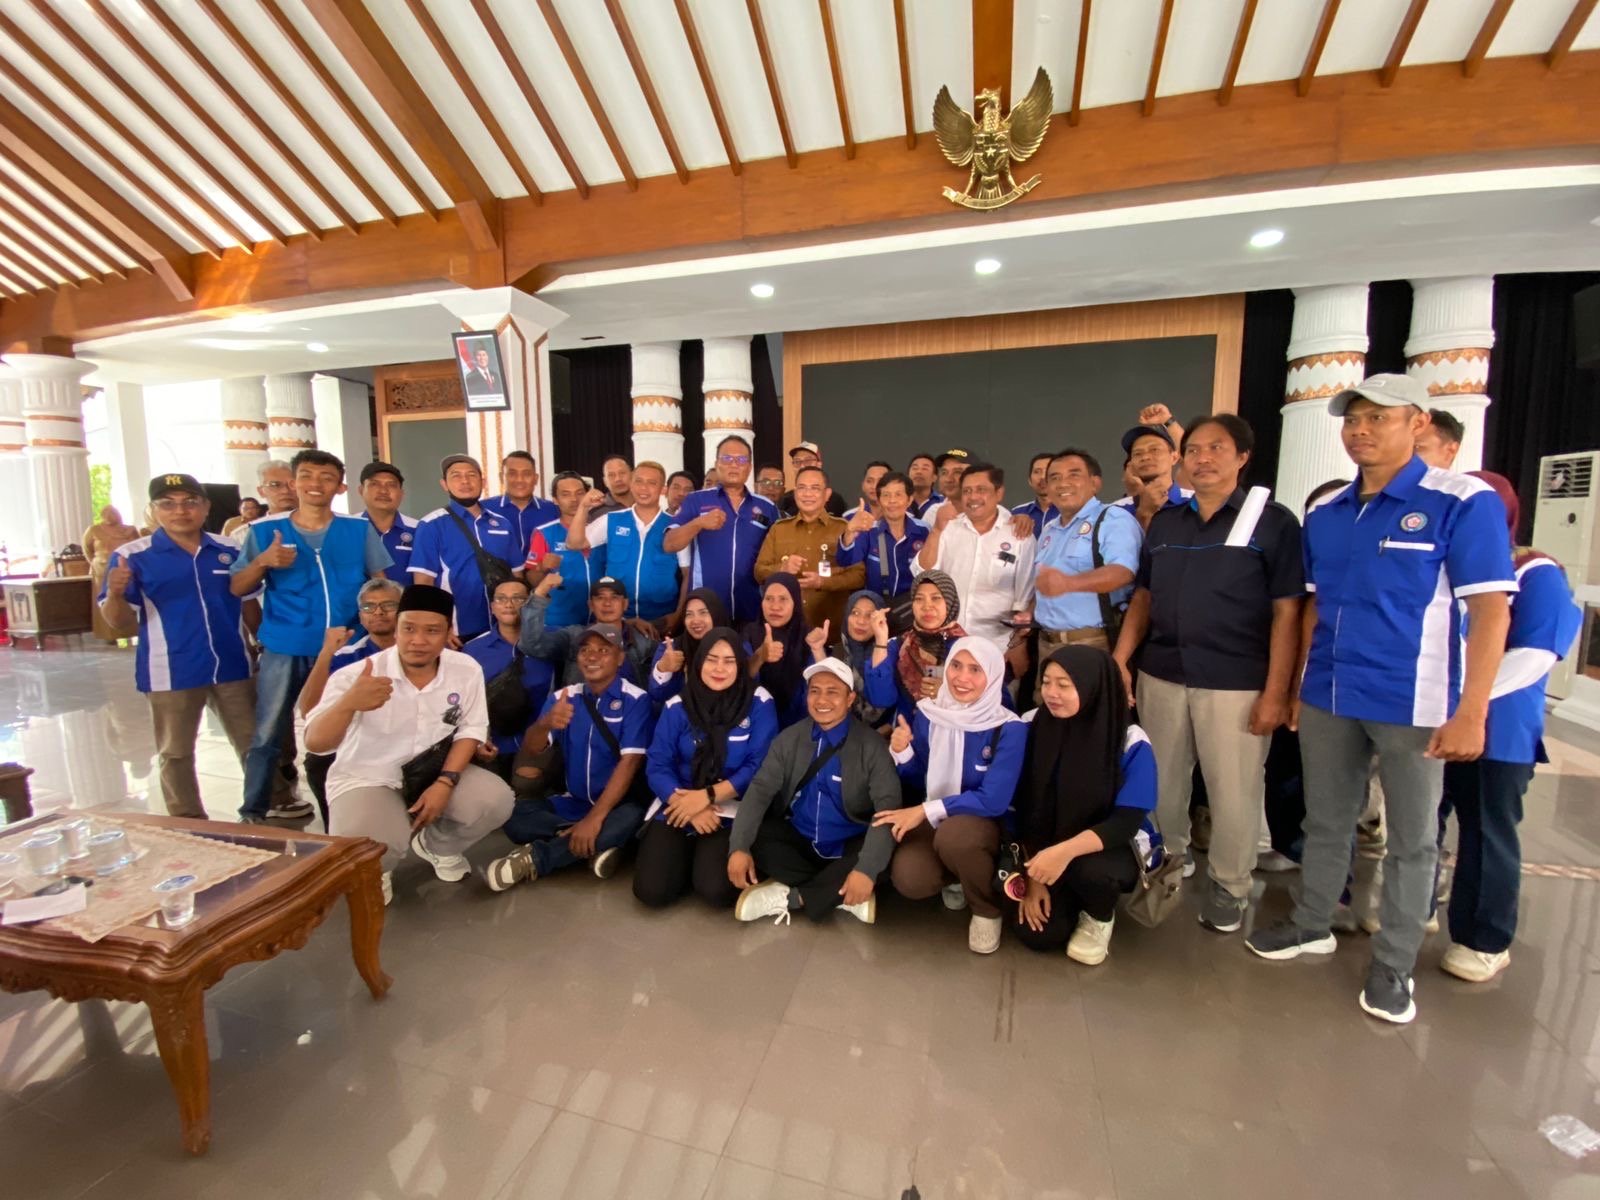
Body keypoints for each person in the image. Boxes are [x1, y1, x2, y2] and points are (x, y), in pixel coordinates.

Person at [1245, 373, 1514, 1027]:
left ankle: (1394, 964)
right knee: (1326, 819)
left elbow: (1490, 612)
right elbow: (1313, 610)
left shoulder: (1459, 501)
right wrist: (1297, 688)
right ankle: (1312, 922)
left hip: (1412, 700)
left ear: (1417, 423)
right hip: (1331, 691)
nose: (1360, 430)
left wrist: (1472, 710)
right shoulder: (1329, 513)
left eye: (1377, 418)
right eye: (1352, 419)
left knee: (1412, 841)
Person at [1111, 414, 1305, 933]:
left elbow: (1289, 612)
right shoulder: (1167, 522)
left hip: (1236, 682)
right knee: (1162, 785)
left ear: (1242, 457)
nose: (1203, 459)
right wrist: (1121, 658)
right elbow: (1144, 597)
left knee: (1233, 790)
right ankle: (1165, 867)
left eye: (1216, 448)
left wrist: (1278, 692)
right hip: (1163, 674)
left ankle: (1230, 885)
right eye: (1194, 450)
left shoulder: (1273, 522)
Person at [1437, 471, 1581, 983]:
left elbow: (1534, 656)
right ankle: (1420, 905)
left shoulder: (1536, 572)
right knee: (1424, 822)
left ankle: (1484, 939)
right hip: (1427, 721)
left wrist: (1462, 701)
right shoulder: (1442, 565)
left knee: (1486, 831)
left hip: (1498, 728)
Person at [306, 584, 513, 905]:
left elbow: (470, 728)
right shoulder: (355, 676)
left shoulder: (465, 669)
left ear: (449, 633)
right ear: (397, 628)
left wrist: (445, 782)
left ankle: (435, 846)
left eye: (432, 631)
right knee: (371, 848)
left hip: (432, 769)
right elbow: (316, 743)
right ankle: (380, 868)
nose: (418, 640)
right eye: (409, 629)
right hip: (369, 777)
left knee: (495, 801)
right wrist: (348, 704)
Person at [231, 449, 391, 823]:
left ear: (340, 486)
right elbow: (238, 587)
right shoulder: (264, 532)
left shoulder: (357, 530)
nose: (316, 484)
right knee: (270, 730)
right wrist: (263, 562)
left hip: (348, 645)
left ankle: (350, 801)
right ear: (293, 482)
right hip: (287, 645)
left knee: (352, 721)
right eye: (307, 475)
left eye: (326, 477)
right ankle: (254, 810)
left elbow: (380, 582)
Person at [98, 473, 257, 818]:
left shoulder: (229, 549)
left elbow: (248, 604)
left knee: (252, 744)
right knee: (176, 751)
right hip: (171, 668)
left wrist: (261, 645)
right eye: (168, 504)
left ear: (206, 507)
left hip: (232, 663)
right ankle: (188, 821)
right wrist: (115, 593)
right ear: (153, 510)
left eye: (190, 502)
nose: (180, 511)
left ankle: (261, 808)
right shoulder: (132, 556)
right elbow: (118, 623)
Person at [1012, 646, 1161, 964]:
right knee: (1038, 935)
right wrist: (1032, 875)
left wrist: (1063, 853)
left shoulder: (1128, 739)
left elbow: (1125, 822)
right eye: (1046, 682)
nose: (1051, 693)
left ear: (1094, 687)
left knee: (1092, 871)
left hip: (1104, 848)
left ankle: (1099, 915)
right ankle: (1067, 896)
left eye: (1064, 685)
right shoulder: (1031, 725)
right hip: (1043, 846)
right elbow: (1019, 806)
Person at [878, 637, 1027, 954]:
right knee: (910, 877)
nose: (962, 677)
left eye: (975, 670)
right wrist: (902, 752)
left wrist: (925, 810)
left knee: (956, 836)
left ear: (993, 677)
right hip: (938, 817)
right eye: (956, 665)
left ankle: (986, 909)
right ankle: (960, 876)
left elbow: (993, 801)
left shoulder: (1008, 728)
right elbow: (921, 777)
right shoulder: (929, 714)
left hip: (984, 824)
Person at [726, 658, 901, 924]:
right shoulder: (789, 739)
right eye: (815, 691)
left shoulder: (872, 746)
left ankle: (794, 897)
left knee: (885, 854)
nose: (822, 700)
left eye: (833, 692)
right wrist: (738, 848)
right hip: (801, 839)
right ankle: (841, 893)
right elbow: (760, 791)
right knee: (755, 835)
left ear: (850, 698)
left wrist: (866, 869)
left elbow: (887, 810)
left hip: (849, 843)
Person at [485, 623, 655, 890]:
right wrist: (545, 724)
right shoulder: (565, 697)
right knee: (513, 818)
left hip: (619, 806)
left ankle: (536, 859)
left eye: (603, 650)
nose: (592, 656)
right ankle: (590, 842)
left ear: (620, 658)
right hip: (573, 803)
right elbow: (531, 749)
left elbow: (630, 762)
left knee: (627, 820)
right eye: (585, 650)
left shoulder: (636, 699)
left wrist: (595, 818)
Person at [635, 631, 779, 908]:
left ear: (740, 665)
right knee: (652, 891)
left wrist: (708, 796)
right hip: (680, 801)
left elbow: (758, 765)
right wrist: (687, 804)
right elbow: (658, 764)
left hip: (732, 806)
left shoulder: (759, 702)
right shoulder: (679, 705)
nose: (719, 668)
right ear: (699, 662)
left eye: (729, 661)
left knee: (716, 889)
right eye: (712, 659)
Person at [298, 578, 401, 827]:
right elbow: (309, 710)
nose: (378, 612)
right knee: (318, 760)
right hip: (359, 740)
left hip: (406, 737)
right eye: (369, 607)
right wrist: (326, 653)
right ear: (361, 616)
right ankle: (340, 835)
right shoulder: (346, 656)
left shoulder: (421, 650)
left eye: (388, 605)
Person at [1031, 448, 1141, 661]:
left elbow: (1123, 572)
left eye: (1074, 475)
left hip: (1093, 643)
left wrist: (1069, 583)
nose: (1063, 484)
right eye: (1055, 478)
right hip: (1046, 643)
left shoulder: (1113, 519)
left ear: (1095, 483)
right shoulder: (1049, 530)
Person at [916, 462, 1036, 653]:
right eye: (967, 491)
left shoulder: (1019, 534)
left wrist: (1017, 646)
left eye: (981, 490)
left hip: (999, 646)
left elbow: (1025, 598)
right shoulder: (948, 528)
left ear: (999, 493)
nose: (973, 497)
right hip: (947, 642)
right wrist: (937, 530)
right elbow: (923, 573)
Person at [663, 434, 779, 624]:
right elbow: (669, 544)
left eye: (741, 460)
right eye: (727, 458)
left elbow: (778, 554)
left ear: (749, 467)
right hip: (706, 610)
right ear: (717, 464)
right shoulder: (696, 500)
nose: (734, 464)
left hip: (753, 608)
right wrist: (699, 523)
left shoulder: (766, 507)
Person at [409, 454, 523, 642]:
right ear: (444, 484)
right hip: (457, 630)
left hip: (503, 627)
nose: (465, 481)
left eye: (471, 475)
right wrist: (437, 626)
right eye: (456, 476)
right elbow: (423, 583)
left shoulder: (502, 523)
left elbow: (517, 575)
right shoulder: (431, 524)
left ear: (483, 482)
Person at [564, 461, 689, 628]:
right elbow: (574, 543)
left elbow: (687, 574)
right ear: (631, 484)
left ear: (663, 489)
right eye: (639, 481)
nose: (644, 488)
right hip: (618, 619)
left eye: (652, 483)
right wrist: (584, 507)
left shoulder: (675, 526)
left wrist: (677, 615)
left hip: (661, 619)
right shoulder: (612, 520)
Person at [463, 577, 555, 778]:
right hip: (493, 746)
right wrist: (479, 740)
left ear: (530, 604)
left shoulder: (553, 641)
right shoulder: (473, 650)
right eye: (501, 599)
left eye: (518, 598)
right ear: (492, 607)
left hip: (541, 744)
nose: (508, 604)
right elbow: (467, 702)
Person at [755, 465, 864, 632]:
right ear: (795, 492)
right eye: (802, 488)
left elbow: (858, 576)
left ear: (827, 494)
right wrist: (782, 568)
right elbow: (759, 572)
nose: (807, 494)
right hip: (786, 631)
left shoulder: (843, 528)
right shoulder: (779, 529)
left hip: (829, 629)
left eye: (815, 488)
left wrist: (823, 582)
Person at [864, 571, 969, 722]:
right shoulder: (901, 645)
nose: (927, 606)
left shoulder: (968, 649)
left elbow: (987, 704)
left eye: (936, 598)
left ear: (950, 602)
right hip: (907, 732)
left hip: (954, 731)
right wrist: (881, 639)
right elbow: (881, 698)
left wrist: (950, 692)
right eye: (919, 599)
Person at [523, 573, 659, 687]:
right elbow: (533, 646)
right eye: (600, 598)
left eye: (614, 597)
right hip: (580, 708)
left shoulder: (643, 641)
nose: (607, 603)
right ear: (591, 605)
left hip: (631, 709)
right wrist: (539, 594)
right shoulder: (573, 636)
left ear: (625, 604)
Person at [836, 471, 927, 602]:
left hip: (914, 605)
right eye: (886, 495)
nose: (892, 501)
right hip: (877, 605)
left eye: (898, 494)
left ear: (909, 500)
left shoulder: (924, 530)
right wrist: (849, 531)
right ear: (879, 501)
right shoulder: (869, 531)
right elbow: (845, 561)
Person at [523, 470, 598, 629]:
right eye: (565, 494)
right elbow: (532, 580)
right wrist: (542, 567)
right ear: (555, 500)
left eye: (579, 493)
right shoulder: (544, 533)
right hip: (558, 621)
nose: (574, 499)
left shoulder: (601, 529)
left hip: (598, 620)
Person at [746, 573, 812, 727]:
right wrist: (760, 656)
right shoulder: (749, 634)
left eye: (783, 599)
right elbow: (737, 681)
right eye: (769, 598)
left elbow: (818, 685)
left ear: (795, 602)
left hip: (800, 726)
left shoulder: (809, 637)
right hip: (753, 722)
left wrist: (818, 649)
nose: (775, 607)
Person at [648, 587, 733, 705]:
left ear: (716, 614)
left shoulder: (735, 647)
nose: (695, 620)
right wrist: (663, 669)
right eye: (689, 614)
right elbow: (656, 695)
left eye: (703, 613)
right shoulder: (671, 648)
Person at [827, 589, 897, 728]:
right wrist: (817, 649)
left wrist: (881, 640)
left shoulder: (892, 652)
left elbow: (883, 700)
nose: (861, 621)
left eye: (870, 615)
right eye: (855, 613)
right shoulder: (838, 652)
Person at [1114, 425, 1191, 531]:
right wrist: (1144, 513)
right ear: (1131, 464)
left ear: (1174, 457)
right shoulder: (1116, 511)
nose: (1145, 457)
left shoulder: (1197, 502)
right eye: (1137, 453)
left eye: (1155, 450)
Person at [83, 504, 142, 643]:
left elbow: (138, 546)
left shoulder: (129, 530)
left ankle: (133, 632)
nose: (110, 516)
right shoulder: (94, 530)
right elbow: (87, 549)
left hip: (126, 567)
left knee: (130, 597)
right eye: (107, 513)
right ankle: (109, 636)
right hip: (102, 569)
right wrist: (96, 563)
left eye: (113, 513)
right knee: (107, 599)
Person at [483, 450, 560, 551]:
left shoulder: (553, 510)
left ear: (536, 479)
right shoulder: (484, 509)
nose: (519, 480)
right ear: (502, 477)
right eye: (512, 474)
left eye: (526, 474)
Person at [358, 461, 419, 585]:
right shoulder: (348, 528)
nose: (383, 491)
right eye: (374, 484)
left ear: (401, 493)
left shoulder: (419, 529)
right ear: (361, 490)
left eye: (391, 485)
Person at [779, 442, 847, 518]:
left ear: (819, 464)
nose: (802, 466)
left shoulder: (836, 501)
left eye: (808, 461)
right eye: (797, 461)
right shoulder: (785, 501)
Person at [1013, 453, 1058, 538]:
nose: (1042, 477)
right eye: (1037, 472)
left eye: (1048, 471)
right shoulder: (1018, 512)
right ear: (1029, 480)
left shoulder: (1070, 512)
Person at [906, 453, 942, 520]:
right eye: (915, 468)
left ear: (934, 477)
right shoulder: (899, 501)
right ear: (908, 476)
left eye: (925, 469)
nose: (919, 472)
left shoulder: (943, 503)